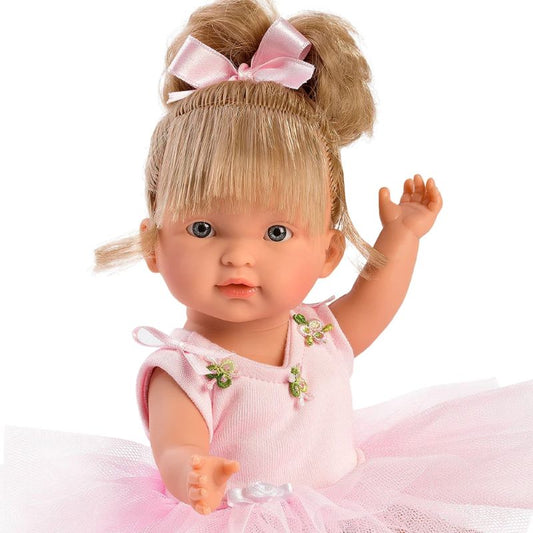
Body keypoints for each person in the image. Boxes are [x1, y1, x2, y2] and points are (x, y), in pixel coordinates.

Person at [3, 0, 533, 531]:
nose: (239, 256)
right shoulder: (186, 371)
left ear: (328, 252)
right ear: (153, 246)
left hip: (346, 511)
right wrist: (192, 472)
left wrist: (403, 234)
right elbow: (176, 444)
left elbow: (376, 299)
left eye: (276, 233)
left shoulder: (317, 335)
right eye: (203, 229)